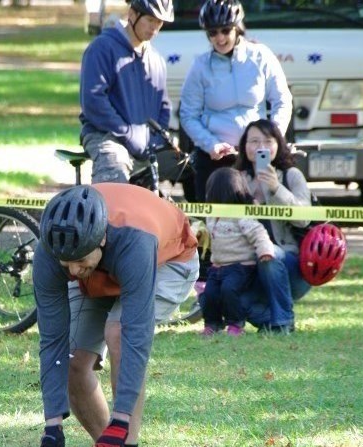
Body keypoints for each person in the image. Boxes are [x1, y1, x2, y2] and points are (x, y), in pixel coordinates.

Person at [33, 183, 198, 447]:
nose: (72, 271)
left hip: (168, 261)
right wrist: (52, 425)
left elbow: (136, 336)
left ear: (101, 239)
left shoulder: (134, 241)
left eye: (79, 261)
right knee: (75, 361)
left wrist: (120, 420)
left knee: (118, 331)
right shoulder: (53, 247)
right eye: (65, 264)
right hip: (102, 272)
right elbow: (52, 339)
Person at [179, 0, 292, 202]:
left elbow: (282, 100)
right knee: (212, 224)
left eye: (225, 30)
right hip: (216, 156)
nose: (219, 38)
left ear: (237, 29)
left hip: (258, 155)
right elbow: (188, 115)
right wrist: (210, 144)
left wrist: (271, 139)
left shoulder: (261, 56)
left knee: (263, 220)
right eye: (212, 33)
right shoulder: (200, 66)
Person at [79, 0, 175, 184]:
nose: (155, 28)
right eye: (150, 20)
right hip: (105, 135)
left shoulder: (157, 60)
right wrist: (128, 134)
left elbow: (163, 106)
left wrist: (156, 139)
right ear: (132, 14)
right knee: (115, 166)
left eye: (160, 22)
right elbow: (93, 101)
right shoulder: (102, 48)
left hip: (144, 142)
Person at [235, 119, 312, 335]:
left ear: (278, 144)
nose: (261, 147)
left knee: (269, 254)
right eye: (254, 141)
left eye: (267, 141)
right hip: (250, 267)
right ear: (244, 146)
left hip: (289, 265)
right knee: (234, 300)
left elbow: (303, 219)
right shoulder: (237, 178)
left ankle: (283, 322)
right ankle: (271, 320)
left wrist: (276, 188)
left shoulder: (291, 175)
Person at [200, 167, 275, 337]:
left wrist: (265, 251)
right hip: (217, 267)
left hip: (239, 266)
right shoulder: (212, 215)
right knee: (210, 293)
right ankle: (212, 324)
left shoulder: (241, 215)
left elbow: (258, 232)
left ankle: (235, 324)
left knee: (229, 290)